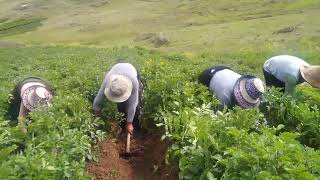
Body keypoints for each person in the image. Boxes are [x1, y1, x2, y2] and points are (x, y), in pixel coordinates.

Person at [93, 63, 143, 135]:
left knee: (136, 107)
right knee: (121, 106)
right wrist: (97, 114)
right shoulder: (108, 80)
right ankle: (122, 128)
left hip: (132, 70)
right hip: (116, 69)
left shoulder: (133, 81)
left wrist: (129, 123)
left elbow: (133, 104)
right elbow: (98, 98)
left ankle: (136, 129)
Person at [198, 66, 265, 109]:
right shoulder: (225, 94)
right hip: (207, 76)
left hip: (225, 69)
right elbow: (218, 115)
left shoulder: (246, 83)